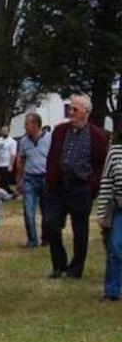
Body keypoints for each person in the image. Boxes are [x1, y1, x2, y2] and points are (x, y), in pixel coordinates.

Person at [45, 94, 109, 279]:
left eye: (75, 109)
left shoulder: (97, 136)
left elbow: (100, 165)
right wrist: (50, 180)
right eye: (70, 109)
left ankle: (75, 269)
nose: (70, 112)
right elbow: (52, 156)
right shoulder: (60, 131)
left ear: (86, 113)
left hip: (81, 189)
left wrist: (91, 187)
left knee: (80, 231)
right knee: (51, 225)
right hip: (57, 187)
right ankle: (59, 265)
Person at [94, 113, 122, 302]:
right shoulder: (114, 152)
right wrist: (102, 212)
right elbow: (106, 182)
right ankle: (111, 291)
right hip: (119, 207)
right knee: (115, 247)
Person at [14, 113, 51, 248]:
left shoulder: (49, 139)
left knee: (47, 213)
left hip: (45, 178)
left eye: (27, 124)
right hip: (30, 179)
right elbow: (21, 160)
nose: (25, 127)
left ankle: (46, 238)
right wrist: (19, 179)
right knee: (29, 212)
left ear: (35, 125)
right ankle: (32, 241)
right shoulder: (23, 142)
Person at [0, 125, 18, 193]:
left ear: (8, 132)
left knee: (4, 181)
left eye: (5, 130)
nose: (4, 132)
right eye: (3, 130)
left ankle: (6, 193)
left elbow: (13, 154)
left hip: (6, 164)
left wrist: (11, 165)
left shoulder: (12, 141)